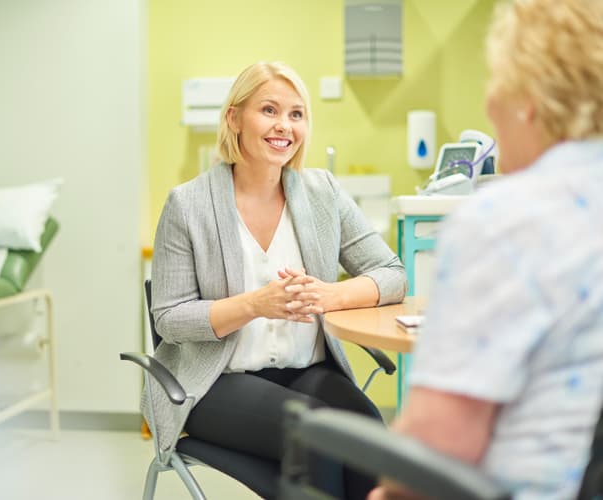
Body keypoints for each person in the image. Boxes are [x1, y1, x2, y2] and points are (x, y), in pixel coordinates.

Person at [369, 0, 603, 499]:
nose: (489, 106)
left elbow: (434, 451)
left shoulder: (504, 221)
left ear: (529, 99)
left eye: (495, 83)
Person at [147, 60, 407, 498]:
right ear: (234, 118)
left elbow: (392, 274)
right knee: (314, 435)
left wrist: (332, 295)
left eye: (296, 114)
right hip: (215, 383)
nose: (283, 126)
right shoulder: (188, 205)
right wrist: (255, 304)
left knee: (368, 437)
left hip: (306, 371)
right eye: (269, 110)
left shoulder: (324, 194)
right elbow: (169, 319)